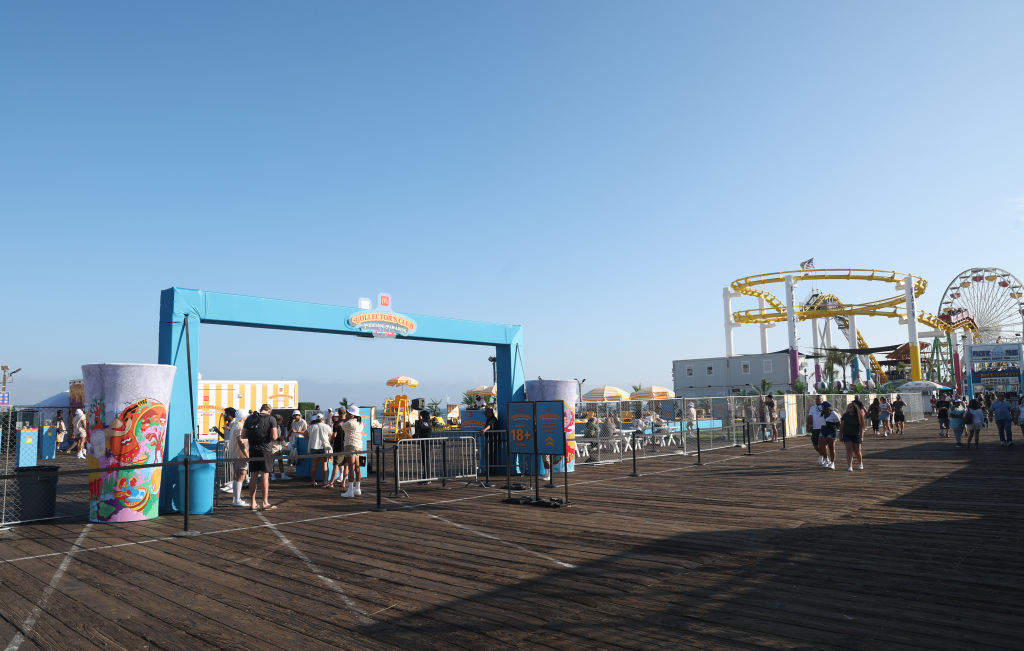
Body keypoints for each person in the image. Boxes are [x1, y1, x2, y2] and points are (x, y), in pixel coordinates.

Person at [241, 403, 280, 510]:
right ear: (269, 411)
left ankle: (253, 503)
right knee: (264, 476)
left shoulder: (250, 418)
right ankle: (265, 502)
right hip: (266, 450)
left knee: (253, 475)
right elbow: (275, 436)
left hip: (253, 449)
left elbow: (243, 435)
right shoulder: (271, 419)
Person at [224, 409, 250, 507]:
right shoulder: (239, 426)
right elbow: (240, 442)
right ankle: (237, 500)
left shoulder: (234, 425)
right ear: (243, 417)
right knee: (241, 475)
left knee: (237, 477)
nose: (247, 418)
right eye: (246, 416)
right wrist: (246, 455)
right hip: (240, 455)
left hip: (234, 454)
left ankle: (236, 499)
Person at [340, 406, 365, 498]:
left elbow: (341, 426)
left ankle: (350, 490)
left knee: (351, 467)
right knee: (357, 467)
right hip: (358, 445)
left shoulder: (349, 423)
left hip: (350, 445)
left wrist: (344, 418)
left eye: (348, 413)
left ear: (351, 415)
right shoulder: (360, 423)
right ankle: (357, 488)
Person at [306, 412, 333, 487]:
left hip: (314, 447)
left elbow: (305, 434)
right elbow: (331, 435)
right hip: (324, 447)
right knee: (324, 464)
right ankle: (325, 481)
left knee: (314, 465)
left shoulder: (312, 426)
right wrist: (328, 441)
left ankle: (313, 481)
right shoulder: (327, 426)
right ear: (322, 419)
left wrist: (310, 438)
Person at [839, 402, 866, 471]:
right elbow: (841, 427)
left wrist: (861, 436)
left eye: (850, 407)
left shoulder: (858, 415)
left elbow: (861, 427)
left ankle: (860, 463)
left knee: (857, 451)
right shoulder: (845, 416)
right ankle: (850, 466)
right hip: (847, 435)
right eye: (848, 407)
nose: (849, 408)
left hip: (856, 435)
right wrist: (840, 435)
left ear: (854, 408)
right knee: (849, 450)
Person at [413, 409, 434, 483]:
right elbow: (416, 434)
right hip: (423, 444)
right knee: (424, 461)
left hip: (427, 444)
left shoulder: (428, 423)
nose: (420, 417)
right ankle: (425, 478)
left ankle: (428, 479)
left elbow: (422, 425)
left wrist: (418, 422)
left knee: (427, 461)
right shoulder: (425, 423)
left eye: (421, 416)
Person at [819, 401, 841, 470]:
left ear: (826, 407)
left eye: (822, 406)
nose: (821, 408)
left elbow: (839, 423)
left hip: (831, 430)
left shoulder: (833, 414)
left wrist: (839, 433)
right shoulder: (822, 413)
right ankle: (826, 459)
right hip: (823, 429)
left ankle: (832, 463)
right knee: (821, 445)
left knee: (831, 447)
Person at [807, 395, 827, 465]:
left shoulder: (825, 407)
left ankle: (826, 459)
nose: (817, 400)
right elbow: (809, 417)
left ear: (822, 400)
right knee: (815, 444)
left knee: (823, 445)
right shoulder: (812, 408)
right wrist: (808, 425)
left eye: (819, 399)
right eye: (816, 399)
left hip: (823, 428)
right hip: (815, 428)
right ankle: (821, 454)